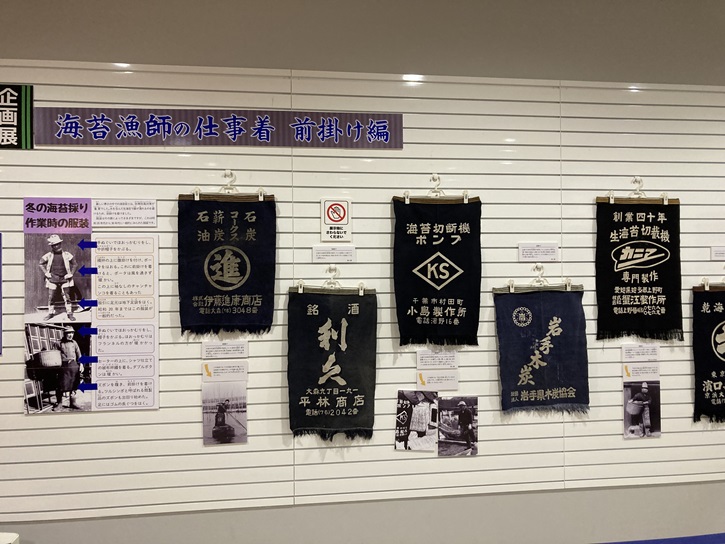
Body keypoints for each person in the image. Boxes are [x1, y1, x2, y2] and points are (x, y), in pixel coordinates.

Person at [38, 234, 78, 321]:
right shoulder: (49, 255)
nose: (57, 246)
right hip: (53, 279)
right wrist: (46, 273)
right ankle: (50, 313)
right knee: (51, 296)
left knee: (67, 296)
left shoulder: (67, 254)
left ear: (60, 244)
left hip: (65, 279)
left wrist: (71, 274)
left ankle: (69, 313)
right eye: (54, 245)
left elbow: (75, 264)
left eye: (58, 244)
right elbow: (40, 263)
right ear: (52, 246)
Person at [52, 326, 83, 411]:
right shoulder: (58, 343)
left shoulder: (74, 343)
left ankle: (73, 403)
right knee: (60, 385)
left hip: (74, 366)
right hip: (63, 367)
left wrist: (81, 364)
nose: (70, 335)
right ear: (64, 334)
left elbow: (79, 354)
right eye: (68, 333)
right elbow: (53, 356)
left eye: (72, 333)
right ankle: (59, 403)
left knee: (74, 385)